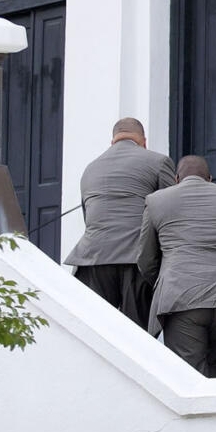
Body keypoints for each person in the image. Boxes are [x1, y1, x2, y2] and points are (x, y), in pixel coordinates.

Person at [136, 155, 216, 377]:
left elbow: (146, 259)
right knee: (215, 359)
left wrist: (163, 283)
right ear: (209, 178)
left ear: (177, 179)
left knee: (188, 373)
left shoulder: (156, 201)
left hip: (180, 296)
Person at [64, 117, 176, 327]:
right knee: (136, 334)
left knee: (97, 332)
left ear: (112, 142)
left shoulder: (91, 168)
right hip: (135, 259)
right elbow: (170, 214)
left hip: (92, 260)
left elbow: (88, 217)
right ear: (144, 141)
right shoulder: (158, 162)